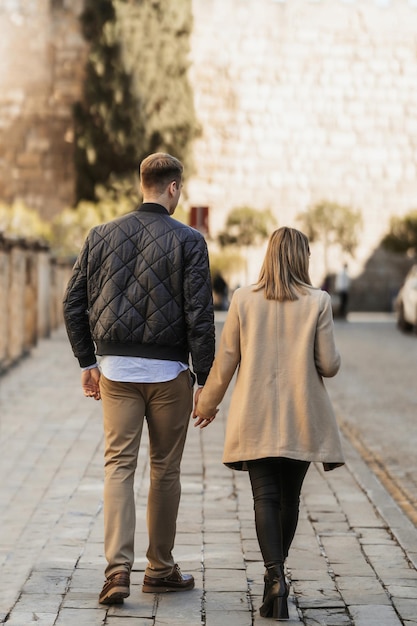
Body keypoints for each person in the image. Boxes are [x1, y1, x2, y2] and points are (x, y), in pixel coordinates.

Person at [63, 153, 215, 605]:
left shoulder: (100, 235)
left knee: (118, 466)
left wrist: (87, 363)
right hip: (170, 374)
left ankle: (116, 572)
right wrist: (205, 379)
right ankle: (161, 569)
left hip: (116, 373)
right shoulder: (189, 240)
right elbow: (200, 316)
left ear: (141, 183)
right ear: (173, 188)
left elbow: (73, 304)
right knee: (165, 470)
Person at [193, 227, 344, 620]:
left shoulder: (244, 299)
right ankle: (276, 578)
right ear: (302, 258)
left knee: (265, 498)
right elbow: (329, 364)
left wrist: (207, 403)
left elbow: (225, 361)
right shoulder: (318, 301)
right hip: (301, 416)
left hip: (254, 416)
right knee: (289, 500)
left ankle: (274, 577)